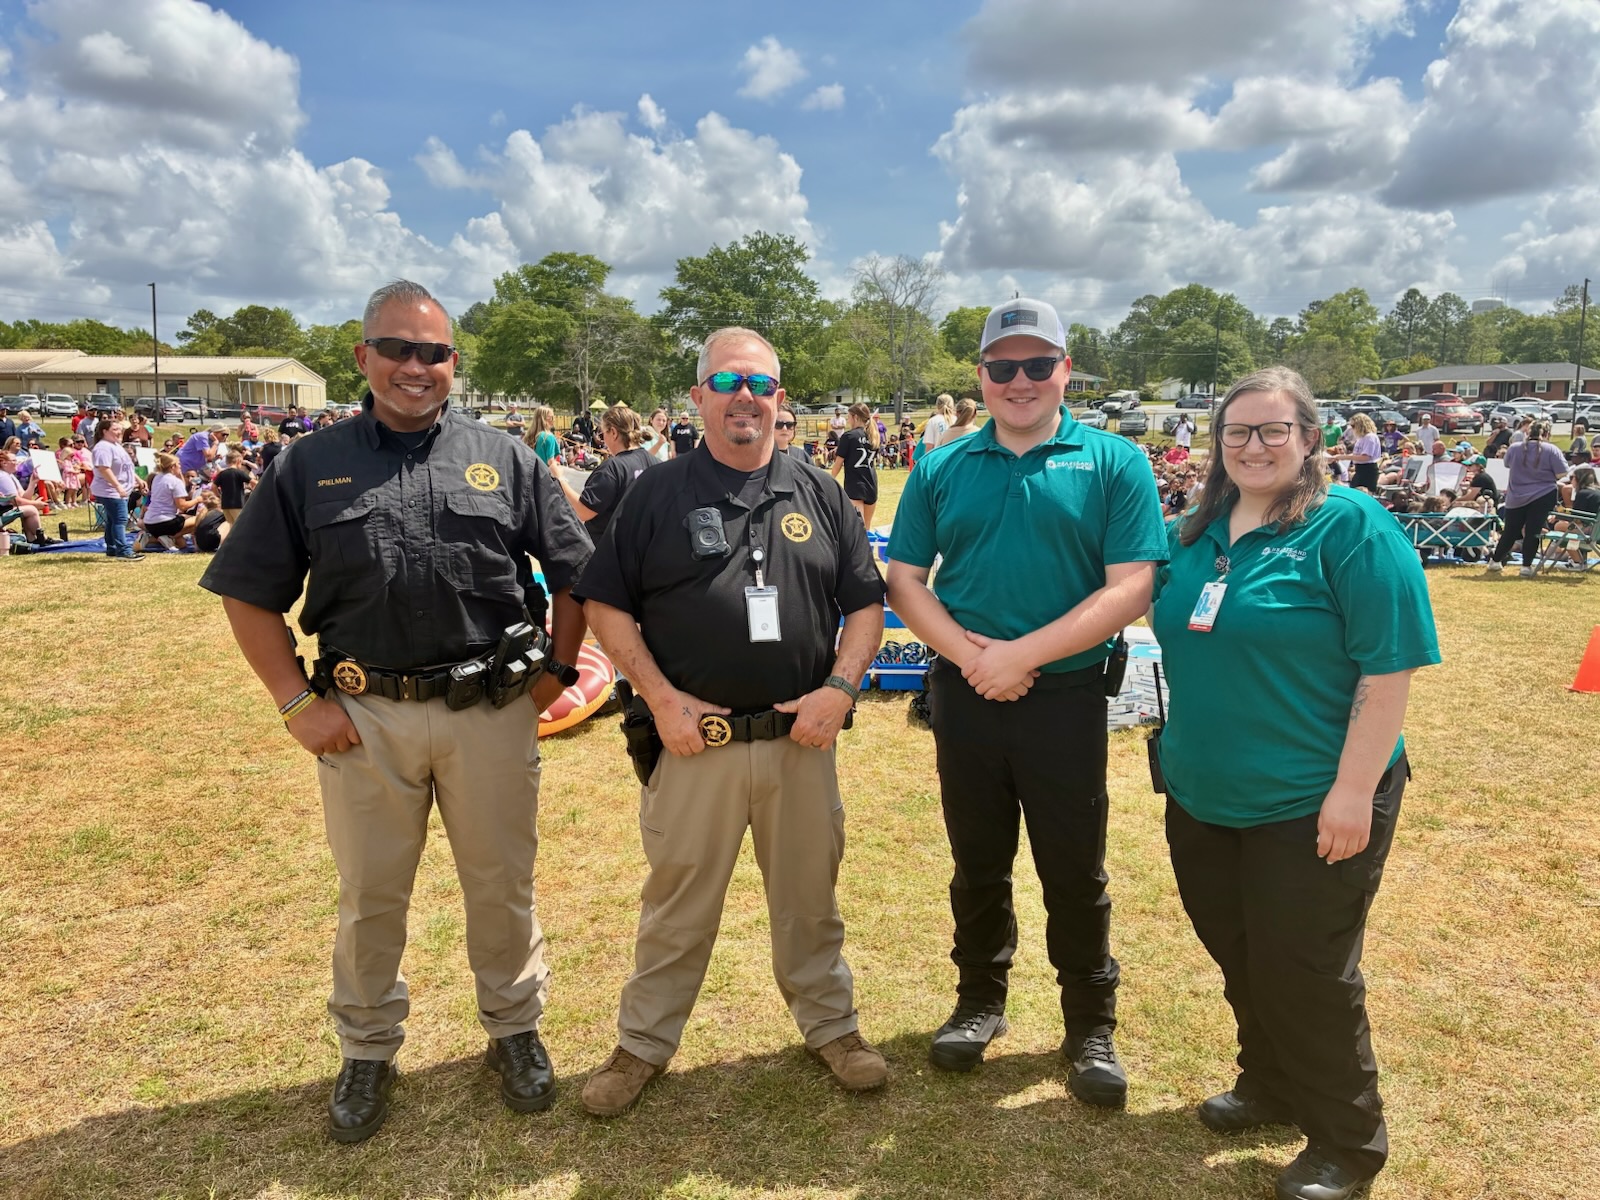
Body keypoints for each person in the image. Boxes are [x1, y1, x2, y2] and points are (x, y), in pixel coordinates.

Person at [198, 279, 593, 1143]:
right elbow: (246, 589)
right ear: (363, 356)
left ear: (454, 361)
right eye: (398, 349)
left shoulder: (507, 457)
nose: (417, 367)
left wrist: (559, 672)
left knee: (502, 884)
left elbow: (577, 572)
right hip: (365, 714)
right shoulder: (309, 464)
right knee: (372, 894)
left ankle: (514, 1029)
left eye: (434, 352)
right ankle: (368, 1046)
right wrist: (295, 702)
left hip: (490, 709)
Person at [573, 325, 888, 1116]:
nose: (743, 397)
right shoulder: (656, 492)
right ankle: (642, 1044)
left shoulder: (818, 490)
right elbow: (604, 603)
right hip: (695, 743)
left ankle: (833, 1028)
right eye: (725, 383)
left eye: (759, 384)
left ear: (780, 398)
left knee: (810, 900)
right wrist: (660, 698)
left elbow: (865, 604)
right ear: (697, 397)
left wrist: (840, 690)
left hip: (800, 742)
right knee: (676, 905)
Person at [1150, 366, 1439, 1200]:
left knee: (1305, 968)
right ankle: (1271, 1083)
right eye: (1236, 431)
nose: (1254, 446)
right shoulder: (1193, 530)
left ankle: (1347, 1141)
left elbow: (1387, 671)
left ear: (1310, 438)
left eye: (1273, 429)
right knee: (1239, 948)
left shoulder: (1352, 527)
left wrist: (1352, 791)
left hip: (1313, 797)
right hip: (1204, 792)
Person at [885, 298, 1167, 1103]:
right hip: (966, 692)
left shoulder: (1115, 461)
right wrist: (974, 657)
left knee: (1073, 867)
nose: (1020, 381)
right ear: (981, 375)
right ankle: (980, 1001)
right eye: (1003, 367)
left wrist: (1022, 656)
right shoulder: (941, 466)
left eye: (1038, 364)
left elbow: (1133, 585)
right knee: (977, 862)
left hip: (1066, 696)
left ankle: (1089, 1025)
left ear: (1065, 370)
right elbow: (905, 580)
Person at [555, 404, 656, 542]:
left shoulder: (612, 468)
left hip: (611, 547)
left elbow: (583, 511)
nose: (603, 440)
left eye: (603, 434)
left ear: (613, 432)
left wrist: (560, 479)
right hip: (643, 545)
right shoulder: (655, 463)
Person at [1487, 420, 1570, 576]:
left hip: (1516, 495)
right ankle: (1526, 566)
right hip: (1543, 495)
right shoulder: (1551, 449)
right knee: (1533, 530)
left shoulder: (1514, 448)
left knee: (1510, 530)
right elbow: (1562, 473)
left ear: (1527, 433)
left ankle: (1496, 560)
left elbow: (1507, 464)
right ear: (1547, 434)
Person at [90, 415, 142, 560]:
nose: (119, 432)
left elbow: (127, 466)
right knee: (120, 519)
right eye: (115, 429)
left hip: (120, 489)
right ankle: (123, 550)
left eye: (120, 429)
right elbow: (104, 469)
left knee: (113, 520)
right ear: (104, 431)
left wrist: (138, 479)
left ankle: (112, 548)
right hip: (109, 491)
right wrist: (118, 487)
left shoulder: (116, 445)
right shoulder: (103, 447)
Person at [136, 452, 202, 551]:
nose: (180, 466)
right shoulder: (175, 482)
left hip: (149, 521)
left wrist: (179, 475)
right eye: (178, 464)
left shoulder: (157, 478)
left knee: (182, 544)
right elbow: (182, 506)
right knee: (199, 519)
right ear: (172, 467)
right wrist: (197, 499)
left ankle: (150, 538)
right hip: (165, 522)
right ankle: (167, 537)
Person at [829, 402, 880, 529]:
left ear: (855, 417)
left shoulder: (849, 436)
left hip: (855, 485)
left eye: (849, 417)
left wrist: (830, 480)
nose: (848, 420)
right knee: (866, 529)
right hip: (871, 484)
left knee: (857, 529)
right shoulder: (873, 435)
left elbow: (838, 464)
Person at [1337, 414, 1381, 491]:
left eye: (1353, 426)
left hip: (1368, 470)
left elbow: (1366, 457)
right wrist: (1338, 457)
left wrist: (1344, 457)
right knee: (1353, 490)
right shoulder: (1361, 438)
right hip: (1359, 469)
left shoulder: (1370, 437)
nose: (1352, 428)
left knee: (1363, 493)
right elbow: (1357, 454)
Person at [212, 449, 252, 523]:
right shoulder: (239, 473)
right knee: (240, 525)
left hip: (225, 505)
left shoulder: (222, 473)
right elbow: (254, 482)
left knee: (231, 525)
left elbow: (214, 486)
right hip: (237, 504)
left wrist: (219, 496)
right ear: (238, 461)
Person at [920, 395, 954, 466]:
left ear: (937, 405)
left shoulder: (933, 421)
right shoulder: (957, 420)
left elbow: (929, 446)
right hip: (954, 461)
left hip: (938, 461)